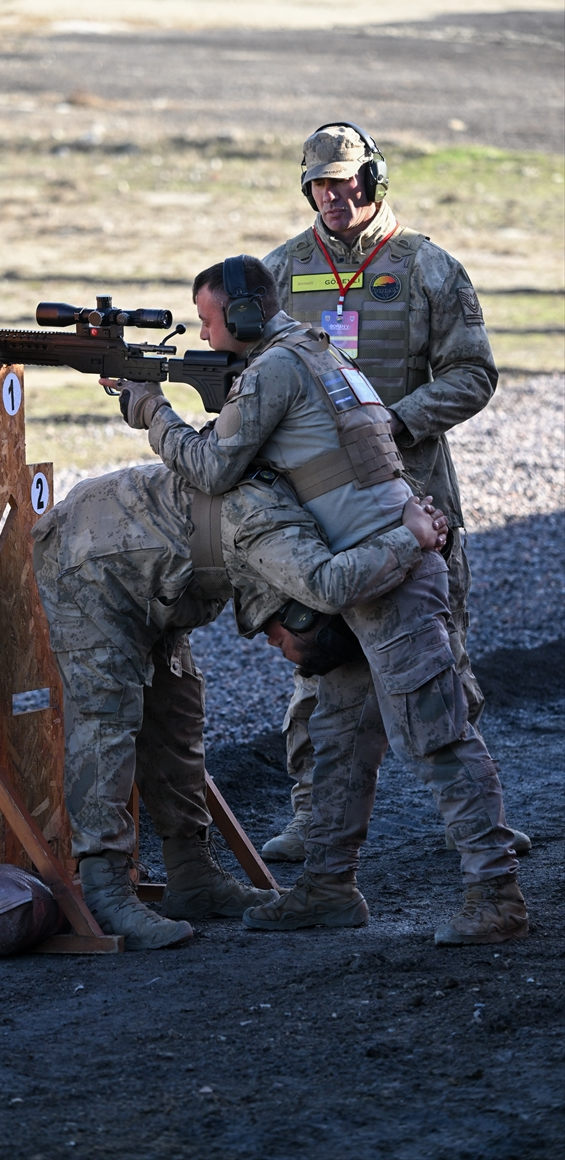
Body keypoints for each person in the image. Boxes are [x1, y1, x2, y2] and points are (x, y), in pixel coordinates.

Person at [107, 254, 527, 946]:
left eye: (210, 320)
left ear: (245, 313)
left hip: (385, 573)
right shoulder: (316, 351)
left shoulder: (275, 368)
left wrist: (149, 409)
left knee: (438, 736)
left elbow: (211, 468)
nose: (206, 335)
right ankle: (328, 887)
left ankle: (497, 895)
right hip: (373, 567)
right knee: (340, 737)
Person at [32, 460, 446, 951]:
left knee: (177, 712)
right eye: (287, 645)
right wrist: (411, 537)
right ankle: (104, 888)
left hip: (153, 572)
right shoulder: (289, 553)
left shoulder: (296, 553)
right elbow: (334, 583)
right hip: (91, 555)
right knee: (107, 718)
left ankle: (192, 874)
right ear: (302, 615)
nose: (272, 645)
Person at [259, 121, 529, 862]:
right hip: (321, 506)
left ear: (373, 180)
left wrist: (394, 422)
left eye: (345, 181)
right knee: (318, 662)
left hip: (417, 495)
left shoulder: (428, 268)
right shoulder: (280, 271)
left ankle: (475, 822)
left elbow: (473, 374)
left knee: (441, 658)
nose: (332, 195)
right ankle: (314, 819)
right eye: (319, 184)